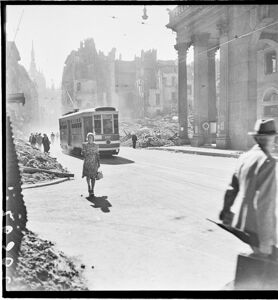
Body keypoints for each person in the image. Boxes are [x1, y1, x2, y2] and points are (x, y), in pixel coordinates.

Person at [219, 119, 278, 259]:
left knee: (256, 264)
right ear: (272, 138)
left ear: (256, 138)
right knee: (264, 268)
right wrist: (265, 241)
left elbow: (231, 189)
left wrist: (226, 211)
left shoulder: (244, 157)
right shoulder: (268, 161)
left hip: (243, 225)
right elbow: (265, 203)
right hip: (260, 229)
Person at [82, 132, 100, 197]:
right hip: (87, 163)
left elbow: (97, 154)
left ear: (93, 138)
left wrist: (99, 163)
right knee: (88, 176)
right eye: (89, 138)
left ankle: (92, 189)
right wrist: (84, 153)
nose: (90, 139)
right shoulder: (85, 145)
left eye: (91, 138)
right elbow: (82, 153)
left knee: (93, 177)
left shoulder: (96, 145)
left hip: (94, 163)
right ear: (87, 138)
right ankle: (89, 186)